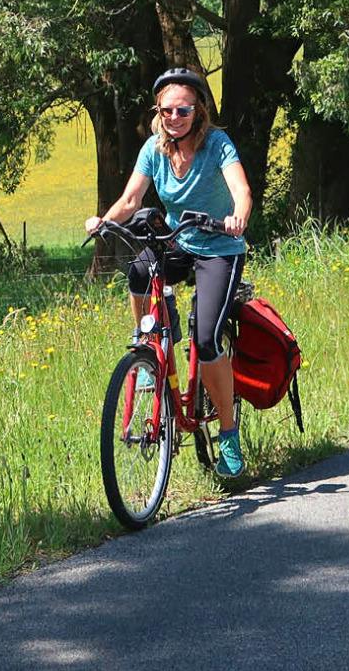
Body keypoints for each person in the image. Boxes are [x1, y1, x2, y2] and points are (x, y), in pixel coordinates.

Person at [84, 67, 253, 477]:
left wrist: (237, 218)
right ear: (157, 112)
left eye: (182, 110)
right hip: (179, 241)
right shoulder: (153, 149)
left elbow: (242, 192)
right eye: (166, 110)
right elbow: (130, 198)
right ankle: (151, 338)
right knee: (139, 272)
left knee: (208, 338)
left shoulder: (217, 144)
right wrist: (103, 222)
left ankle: (228, 435)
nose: (174, 117)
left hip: (219, 247)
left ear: (198, 111)